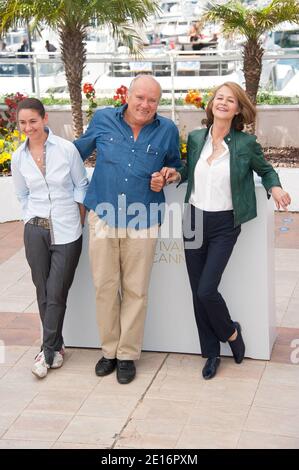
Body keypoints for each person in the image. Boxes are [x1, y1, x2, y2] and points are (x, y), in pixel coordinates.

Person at [161, 82, 291, 380]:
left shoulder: (244, 144)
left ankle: (231, 333)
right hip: (193, 219)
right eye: (219, 98)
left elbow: (266, 170)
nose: (223, 103)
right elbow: (187, 167)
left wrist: (275, 185)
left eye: (229, 100)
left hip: (224, 224)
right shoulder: (196, 138)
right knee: (197, 292)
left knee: (207, 289)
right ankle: (210, 353)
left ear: (237, 109)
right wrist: (174, 173)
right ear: (211, 104)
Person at [74, 75, 181, 384]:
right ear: (128, 95)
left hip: (144, 218)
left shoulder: (167, 130)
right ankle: (109, 351)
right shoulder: (104, 118)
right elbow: (75, 153)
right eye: (141, 98)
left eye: (152, 100)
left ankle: (127, 355)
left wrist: (169, 175)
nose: (145, 105)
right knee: (105, 287)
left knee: (136, 290)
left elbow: (177, 166)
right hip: (104, 214)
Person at [11, 98, 88, 379]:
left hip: (67, 230)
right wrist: (29, 218)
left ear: (44, 119)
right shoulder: (18, 157)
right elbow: (22, 193)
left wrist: (77, 218)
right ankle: (56, 347)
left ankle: (45, 352)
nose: (28, 127)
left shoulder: (66, 150)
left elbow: (81, 186)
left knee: (56, 291)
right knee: (42, 290)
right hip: (35, 230)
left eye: (33, 121)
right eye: (22, 123)